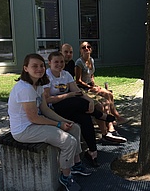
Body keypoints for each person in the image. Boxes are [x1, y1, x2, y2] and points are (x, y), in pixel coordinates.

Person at [8, 53, 90, 191]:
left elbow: (45, 110)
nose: (39, 69)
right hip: (24, 130)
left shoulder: (38, 85)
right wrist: (58, 125)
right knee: (68, 141)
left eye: (41, 65)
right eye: (34, 66)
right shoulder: (25, 88)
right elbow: (34, 118)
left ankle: (76, 164)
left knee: (74, 128)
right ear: (25, 68)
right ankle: (65, 176)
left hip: (35, 124)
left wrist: (64, 121)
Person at [44, 52, 127, 158]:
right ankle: (98, 114)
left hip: (70, 107)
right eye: (56, 62)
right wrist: (69, 95)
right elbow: (48, 100)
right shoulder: (46, 77)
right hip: (54, 109)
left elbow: (78, 91)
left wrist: (90, 101)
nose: (59, 64)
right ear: (49, 63)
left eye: (61, 62)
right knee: (74, 99)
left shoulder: (66, 74)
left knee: (85, 117)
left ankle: (92, 151)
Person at [75, 41, 129, 126]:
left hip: (91, 85)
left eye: (88, 46)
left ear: (91, 49)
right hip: (84, 88)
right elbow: (78, 80)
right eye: (83, 47)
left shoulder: (91, 60)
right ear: (80, 51)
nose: (86, 48)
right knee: (105, 101)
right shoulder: (79, 63)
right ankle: (115, 118)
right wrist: (89, 87)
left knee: (109, 94)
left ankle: (113, 118)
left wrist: (93, 82)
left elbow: (92, 74)